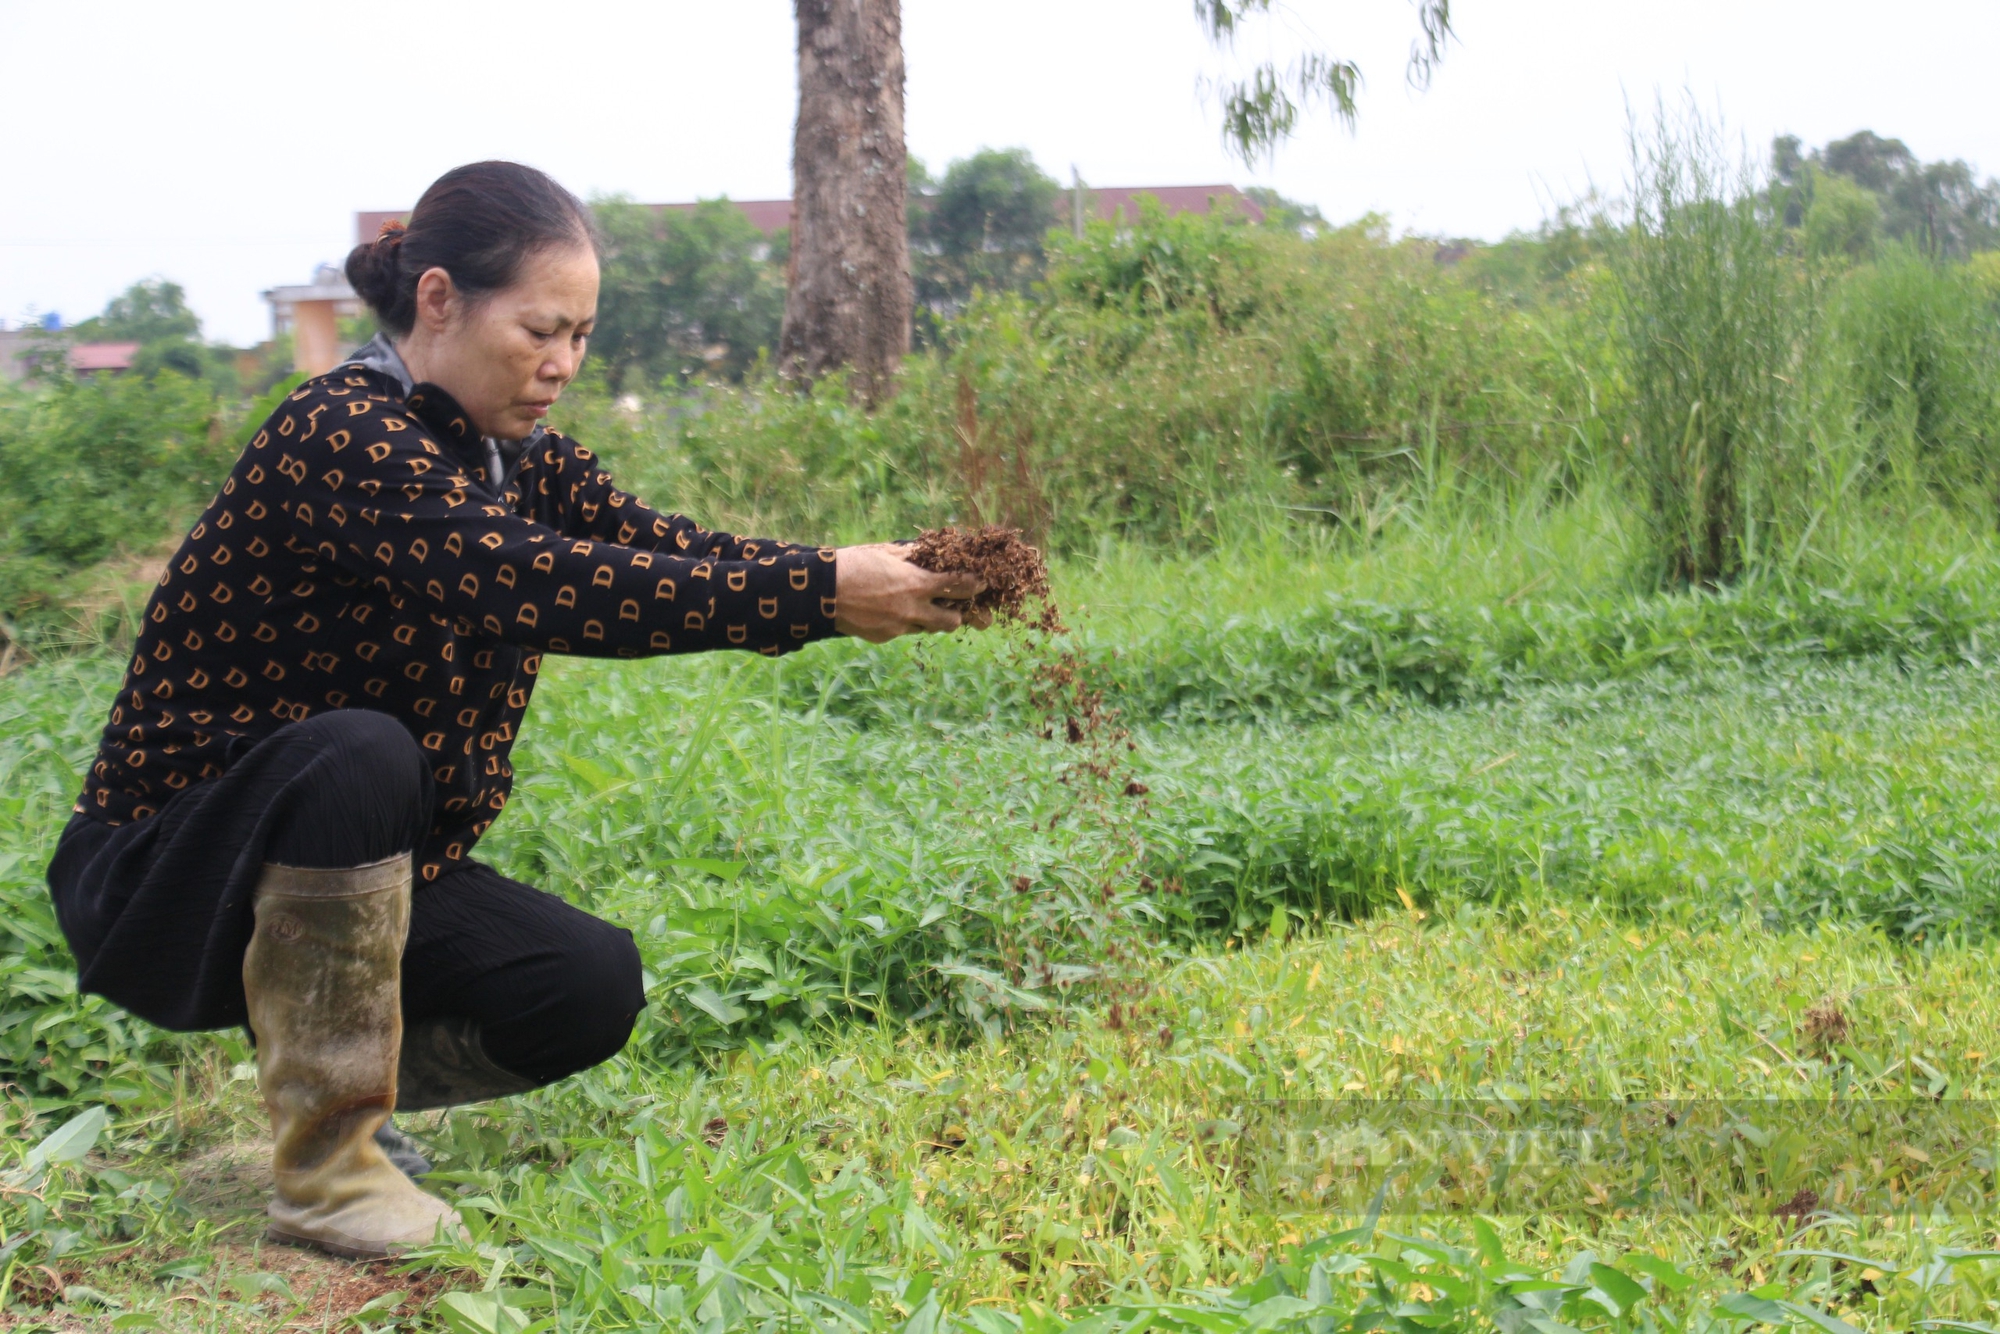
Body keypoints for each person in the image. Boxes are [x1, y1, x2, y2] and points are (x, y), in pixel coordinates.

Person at [43, 161, 983, 1260]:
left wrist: (837, 575)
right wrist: (818, 591)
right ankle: (327, 1165)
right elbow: (532, 580)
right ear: (438, 298)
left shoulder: (512, 456)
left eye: (580, 337)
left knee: (582, 985)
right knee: (359, 752)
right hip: (165, 874)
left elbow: (653, 549)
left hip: (345, 881)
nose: (561, 365)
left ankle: (348, 1098)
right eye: (541, 329)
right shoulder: (338, 434)